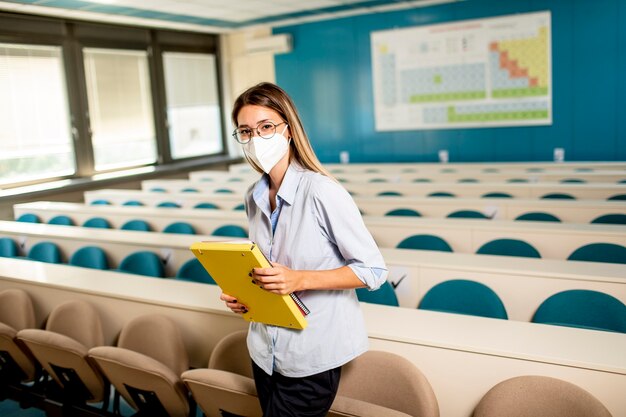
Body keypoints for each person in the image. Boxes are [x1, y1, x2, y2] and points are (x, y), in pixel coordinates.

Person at [220, 82, 388, 417]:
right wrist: (244, 293)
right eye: (245, 131)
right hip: (263, 350)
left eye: (266, 127)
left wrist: (299, 279)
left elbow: (373, 270)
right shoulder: (253, 195)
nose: (256, 139)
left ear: (289, 130)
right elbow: (268, 268)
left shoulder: (322, 191)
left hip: (311, 355)